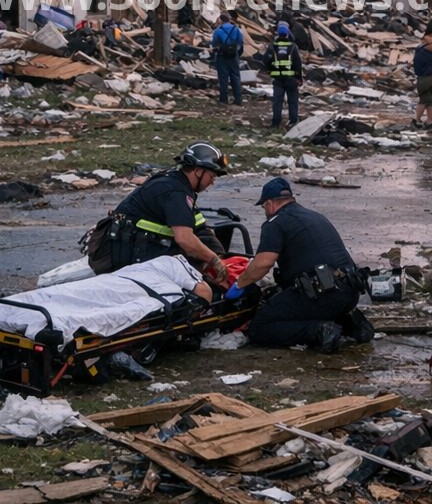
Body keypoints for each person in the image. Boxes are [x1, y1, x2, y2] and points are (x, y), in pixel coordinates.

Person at [226, 178, 372, 353]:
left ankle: (319, 331)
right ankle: (353, 325)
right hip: (350, 292)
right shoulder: (314, 216)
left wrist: (239, 284)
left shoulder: (275, 223)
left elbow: (263, 263)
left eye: (264, 207)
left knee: (260, 326)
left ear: (270, 204)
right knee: (294, 299)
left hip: (323, 295)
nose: (266, 211)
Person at [99, 144, 232, 286]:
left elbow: (197, 224)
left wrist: (218, 252)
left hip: (129, 243)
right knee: (199, 280)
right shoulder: (176, 192)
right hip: (132, 251)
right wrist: (214, 260)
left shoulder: (175, 180)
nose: (212, 182)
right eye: (211, 176)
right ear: (198, 171)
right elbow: (185, 239)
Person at [265, 22, 303, 129]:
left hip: (277, 78)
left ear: (278, 33)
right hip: (291, 79)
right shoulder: (292, 47)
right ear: (287, 34)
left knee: (277, 102)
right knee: (292, 101)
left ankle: (275, 123)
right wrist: (299, 78)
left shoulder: (273, 46)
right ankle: (293, 121)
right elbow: (297, 63)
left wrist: (271, 69)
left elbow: (266, 60)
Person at [211, 11, 244, 105]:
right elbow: (240, 42)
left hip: (222, 55)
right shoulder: (236, 29)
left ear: (221, 20)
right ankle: (238, 100)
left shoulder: (218, 30)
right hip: (234, 55)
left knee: (223, 78)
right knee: (236, 77)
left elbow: (214, 43)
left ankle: (223, 99)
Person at [412, 30, 432, 128]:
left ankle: (430, 121)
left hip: (427, 78)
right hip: (427, 78)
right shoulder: (426, 49)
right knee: (425, 101)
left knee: (430, 101)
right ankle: (415, 120)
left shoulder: (422, 49)